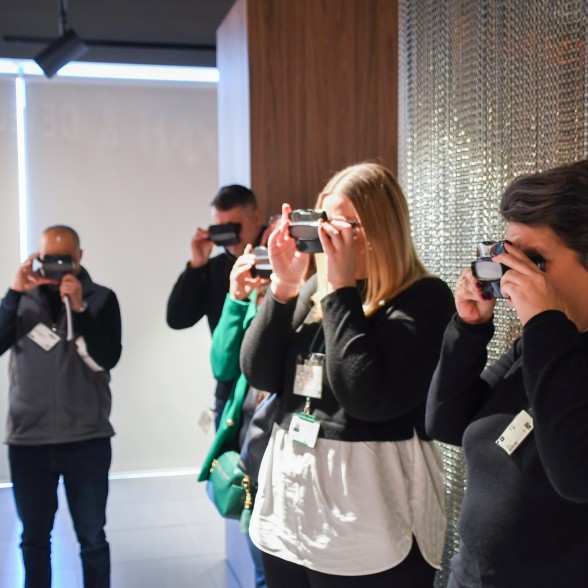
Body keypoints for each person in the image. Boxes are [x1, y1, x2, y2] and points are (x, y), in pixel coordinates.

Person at [240, 162, 455, 587]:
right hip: (291, 503)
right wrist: (283, 287)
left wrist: (340, 289)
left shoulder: (424, 299)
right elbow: (259, 372)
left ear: (379, 231)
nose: (324, 236)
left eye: (338, 225)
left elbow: (366, 398)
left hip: (368, 513)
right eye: (321, 222)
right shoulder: (314, 289)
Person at [426, 160, 588, 587]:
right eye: (508, 257)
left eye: (533, 261)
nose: (515, 275)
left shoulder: (550, 340)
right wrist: (469, 329)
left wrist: (545, 322)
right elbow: (445, 423)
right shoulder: (536, 344)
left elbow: (575, 475)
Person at [0, 225, 122, 588]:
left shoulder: (101, 298)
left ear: (79, 257)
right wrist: (13, 294)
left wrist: (80, 308)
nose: (55, 267)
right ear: (37, 258)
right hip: (29, 440)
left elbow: (107, 358)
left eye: (63, 259)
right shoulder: (20, 300)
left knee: (93, 539)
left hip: (87, 438)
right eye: (48, 259)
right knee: (34, 539)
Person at [166, 184, 264, 427]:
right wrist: (197, 264)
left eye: (234, 227)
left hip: (266, 387)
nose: (229, 237)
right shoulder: (216, 268)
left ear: (256, 217)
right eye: (221, 229)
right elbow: (177, 318)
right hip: (228, 388)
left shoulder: (278, 261)